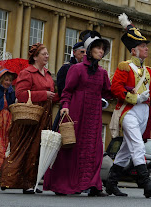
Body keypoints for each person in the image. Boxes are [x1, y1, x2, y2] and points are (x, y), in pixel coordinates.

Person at [43, 31, 113, 196]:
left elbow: (108, 92)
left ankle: (93, 185)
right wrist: (65, 105)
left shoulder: (102, 73)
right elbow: (67, 91)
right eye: (98, 48)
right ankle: (63, 184)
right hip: (76, 111)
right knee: (71, 148)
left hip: (94, 114)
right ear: (89, 50)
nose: (101, 51)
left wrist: (126, 88)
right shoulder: (76, 68)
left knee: (94, 148)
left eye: (103, 49)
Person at [106, 13, 151, 198]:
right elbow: (115, 88)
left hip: (144, 113)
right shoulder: (124, 66)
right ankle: (146, 183)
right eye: (142, 46)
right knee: (137, 146)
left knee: (124, 152)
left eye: (145, 46)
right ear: (133, 50)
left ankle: (111, 183)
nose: (146, 49)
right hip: (128, 112)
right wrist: (135, 98)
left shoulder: (149, 71)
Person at [0, 43, 57, 194]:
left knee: (37, 149)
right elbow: (21, 94)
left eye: (47, 53)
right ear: (35, 57)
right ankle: (8, 178)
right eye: (44, 54)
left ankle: (31, 182)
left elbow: (51, 94)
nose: (47, 56)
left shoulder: (48, 74)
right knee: (24, 148)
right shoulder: (27, 73)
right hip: (30, 116)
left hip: (45, 115)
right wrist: (44, 95)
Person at [52, 41, 86, 131]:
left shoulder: (89, 70)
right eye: (82, 52)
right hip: (69, 107)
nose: (84, 55)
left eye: (86, 52)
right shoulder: (66, 68)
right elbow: (62, 90)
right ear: (74, 53)